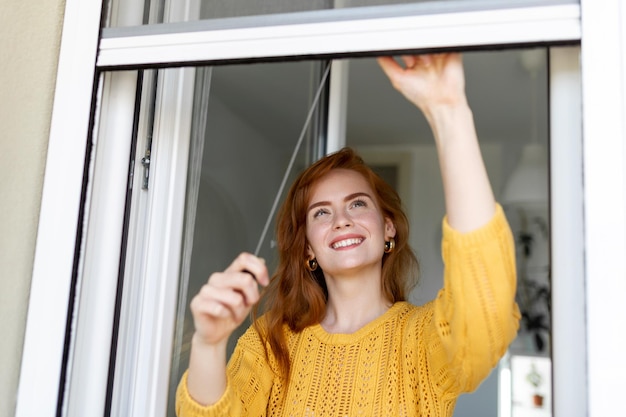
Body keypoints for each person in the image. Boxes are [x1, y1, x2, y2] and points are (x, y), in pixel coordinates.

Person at [175, 53, 520, 416]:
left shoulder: (422, 339)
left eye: (357, 204)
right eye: (321, 212)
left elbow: (486, 312)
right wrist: (208, 344)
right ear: (308, 247)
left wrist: (449, 112)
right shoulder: (270, 342)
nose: (341, 219)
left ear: (388, 228)